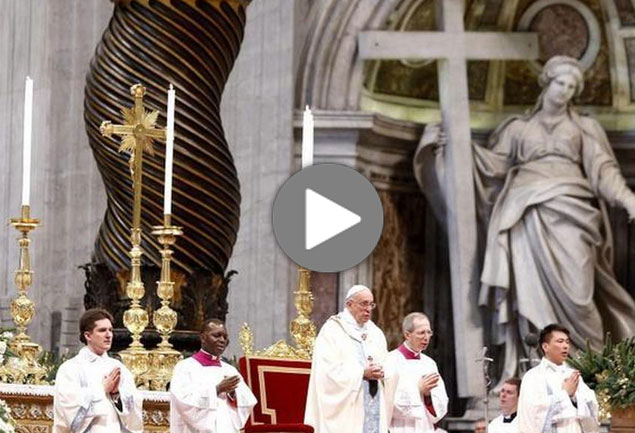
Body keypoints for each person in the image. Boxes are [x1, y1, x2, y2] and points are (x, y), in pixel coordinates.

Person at [416, 55, 635, 379]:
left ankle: (593, 373)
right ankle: (531, 372)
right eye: (561, 83)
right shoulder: (518, 128)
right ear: (547, 82)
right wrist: (455, 147)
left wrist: (629, 199)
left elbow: (603, 171)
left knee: (580, 296)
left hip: (571, 214)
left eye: (572, 86)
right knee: (527, 297)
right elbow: (491, 167)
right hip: (523, 215)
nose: (565, 91)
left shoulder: (583, 128)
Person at [304, 284, 395, 433]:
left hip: (374, 401)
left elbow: (387, 363)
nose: (368, 309)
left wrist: (383, 371)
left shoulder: (375, 332)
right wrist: (361, 373)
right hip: (346, 411)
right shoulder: (332, 330)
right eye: (364, 304)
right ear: (349, 304)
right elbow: (326, 373)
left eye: (371, 304)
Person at [54, 308, 143, 433]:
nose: (108, 335)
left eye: (110, 330)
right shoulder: (70, 369)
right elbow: (69, 410)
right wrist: (102, 390)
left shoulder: (118, 367)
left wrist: (116, 394)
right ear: (88, 335)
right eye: (102, 330)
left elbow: (134, 410)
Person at [170, 319, 256, 433]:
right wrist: (216, 389)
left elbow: (248, 401)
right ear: (203, 338)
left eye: (225, 337)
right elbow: (182, 401)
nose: (222, 340)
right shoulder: (185, 367)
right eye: (217, 335)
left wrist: (232, 394)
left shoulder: (230, 370)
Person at [517, 324, 599, 433]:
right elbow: (533, 412)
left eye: (567, 342)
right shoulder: (533, 376)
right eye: (560, 341)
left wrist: (575, 397)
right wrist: (565, 394)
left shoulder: (573, 375)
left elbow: (592, 407)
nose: (565, 346)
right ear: (545, 347)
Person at [388, 312, 448, 433]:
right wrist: (418, 390)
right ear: (407, 335)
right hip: (401, 428)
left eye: (429, 332)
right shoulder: (391, 360)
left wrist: (427, 396)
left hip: (425, 427)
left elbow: (441, 403)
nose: (426, 337)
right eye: (421, 333)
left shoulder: (430, 364)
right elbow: (387, 402)